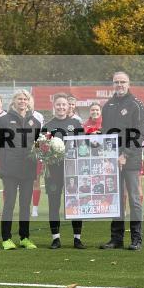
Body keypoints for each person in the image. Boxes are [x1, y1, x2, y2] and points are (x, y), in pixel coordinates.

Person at [100, 71, 144, 250]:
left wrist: (125, 154)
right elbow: (105, 133)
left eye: (123, 82)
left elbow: (139, 134)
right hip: (112, 160)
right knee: (116, 200)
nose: (119, 85)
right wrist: (105, 154)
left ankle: (136, 239)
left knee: (134, 199)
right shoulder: (108, 105)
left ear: (129, 83)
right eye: (116, 82)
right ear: (113, 84)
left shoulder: (137, 105)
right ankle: (116, 239)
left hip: (131, 160)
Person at [0, 89, 40, 250]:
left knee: (25, 204)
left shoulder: (36, 122)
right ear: (14, 101)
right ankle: (6, 238)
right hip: (10, 169)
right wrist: (7, 158)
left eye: (25, 99)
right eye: (19, 99)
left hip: (28, 169)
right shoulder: (3, 120)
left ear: (28, 102)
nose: (22, 101)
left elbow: (39, 145)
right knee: (9, 203)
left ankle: (25, 238)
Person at [42, 93, 85, 248]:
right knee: (54, 203)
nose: (61, 107)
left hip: (72, 170)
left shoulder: (76, 124)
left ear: (69, 107)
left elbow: (83, 148)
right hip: (53, 171)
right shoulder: (47, 125)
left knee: (75, 202)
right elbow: (40, 148)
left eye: (64, 105)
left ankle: (77, 238)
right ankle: (56, 238)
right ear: (54, 106)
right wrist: (46, 152)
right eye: (58, 104)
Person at [29, 94, 45, 217]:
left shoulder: (39, 117)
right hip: (20, 156)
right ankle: (23, 207)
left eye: (30, 101)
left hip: (35, 154)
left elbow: (41, 137)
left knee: (36, 181)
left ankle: (35, 208)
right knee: (22, 181)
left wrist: (37, 151)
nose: (28, 103)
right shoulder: (17, 116)